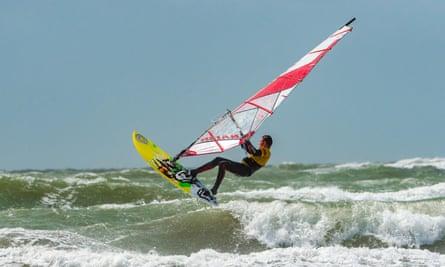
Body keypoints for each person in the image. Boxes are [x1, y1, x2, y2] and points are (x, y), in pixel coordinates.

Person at [188, 135, 273, 195]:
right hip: (241, 167)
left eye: (261, 140)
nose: (259, 141)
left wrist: (248, 142)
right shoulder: (262, 150)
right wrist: (244, 142)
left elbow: (254, 152)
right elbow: (249, 150)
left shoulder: (266, 151)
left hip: (246, 170)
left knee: (223, 164)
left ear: (265, 143)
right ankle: (194, 172)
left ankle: (214, 189)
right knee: (218, 159)